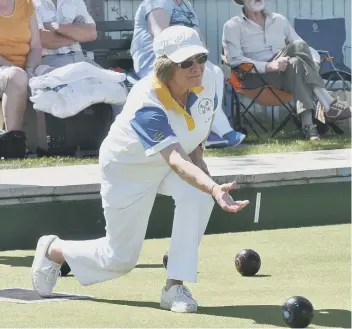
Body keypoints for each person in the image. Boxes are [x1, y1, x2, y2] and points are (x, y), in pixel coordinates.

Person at [31, 26, 249, 313]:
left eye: (200, 58)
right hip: (128, 169)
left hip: (174, 161)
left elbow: (195, 141)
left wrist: (210, 186)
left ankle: (175, 287)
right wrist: (212, 186)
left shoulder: (207, 79)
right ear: (165, 66)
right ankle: (54, 250)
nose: (196, 67)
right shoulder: (146, 102)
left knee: (197, 194)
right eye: (186, 62)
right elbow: (176, 160)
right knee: (119, 259)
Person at [222, 0, 352, 141]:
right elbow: (234, 59)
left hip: (286, 73)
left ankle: (309, 127)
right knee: (298, 50)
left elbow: (304, 48)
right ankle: (329, 104)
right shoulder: (232, 26)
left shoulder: (279, 20)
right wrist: (268, 66)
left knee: (297, 62)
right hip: (255, 77)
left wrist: (312, 65)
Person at [130, 0, 246, 148]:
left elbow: (198, 39)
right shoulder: (156, 2)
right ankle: (211, 131)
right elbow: (160, 36)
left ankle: (208, 128)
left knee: (214, 71)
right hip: (159, 60)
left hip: (186, 58)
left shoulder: (186, 5)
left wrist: (202, 60)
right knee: (208, 73)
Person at [0, 0, 42, 159]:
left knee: (55, 76)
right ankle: (12, 147)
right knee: (16, 76)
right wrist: (16, 69)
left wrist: (31, 69)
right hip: (6, 69)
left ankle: (52, 145)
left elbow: (36, 45)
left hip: (24, 68)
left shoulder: (26, 4)